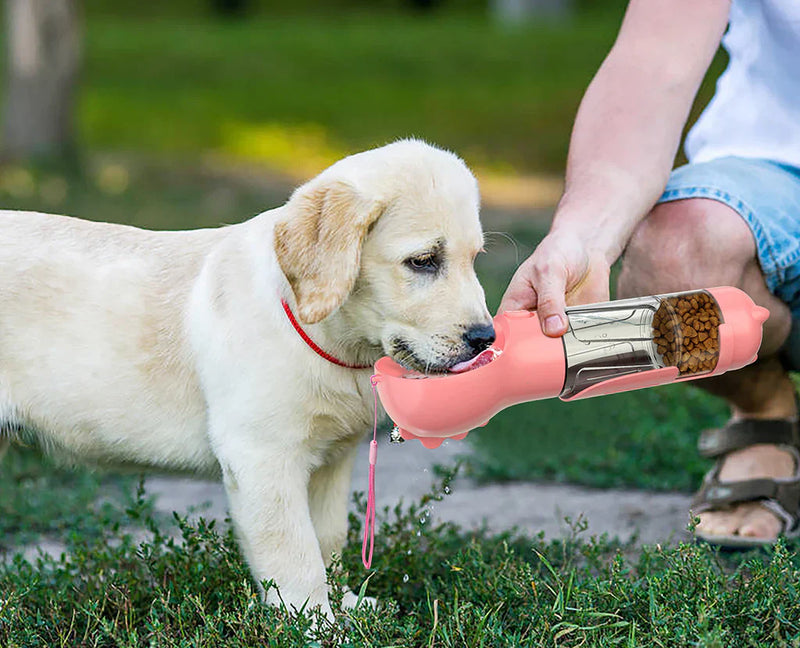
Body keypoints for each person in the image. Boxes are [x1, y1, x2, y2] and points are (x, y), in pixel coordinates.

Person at [499, 0, 800, 547]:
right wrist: (584, 238)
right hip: (776, 165)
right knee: (678, 258)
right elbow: (652, 62)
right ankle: (766, 412)